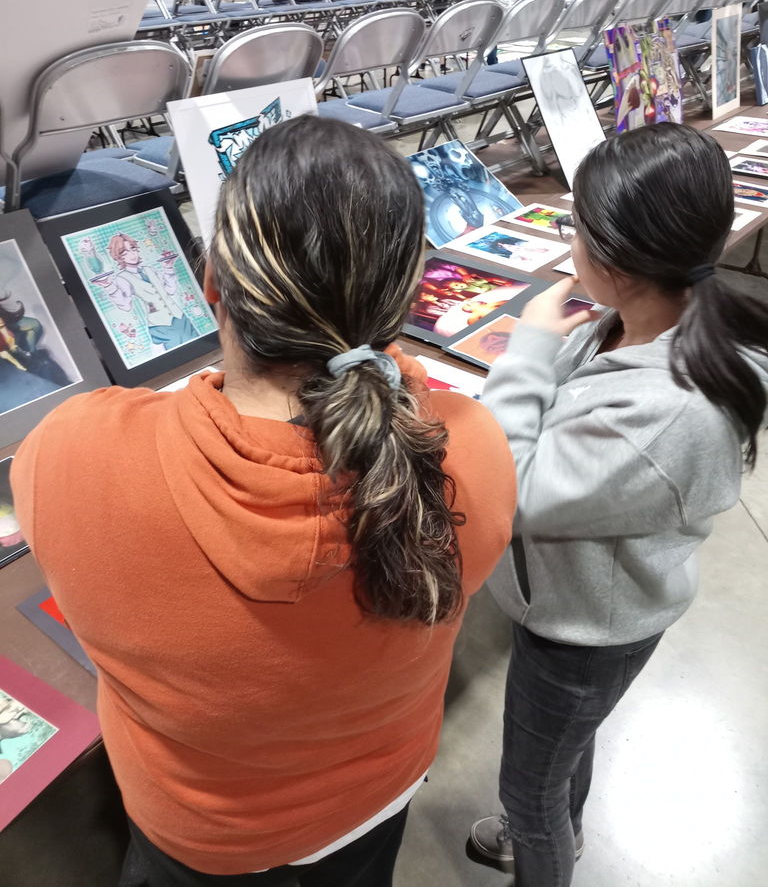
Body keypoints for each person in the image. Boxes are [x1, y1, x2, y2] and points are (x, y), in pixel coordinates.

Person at [11, 115, 516, 887]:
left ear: (211, 284)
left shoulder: (73, 452)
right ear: (403, 303)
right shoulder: (471, 449)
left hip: (201, 839)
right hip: (376, 802)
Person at [468, 122, 768, 887]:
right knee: (567, 750)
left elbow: (514, 489)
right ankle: (559, 828)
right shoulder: (635, 326)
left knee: (527, 787)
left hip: (581, 632)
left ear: (613, 258)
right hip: (585, 603)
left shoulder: (666, 411)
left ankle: (542, 852)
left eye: (575, 227)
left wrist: (526, 349)